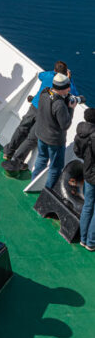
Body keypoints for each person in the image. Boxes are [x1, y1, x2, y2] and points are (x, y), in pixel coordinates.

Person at [2, 61, 81, 170]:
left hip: (34, 106)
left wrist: (53, 72)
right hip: (45, 113)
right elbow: (75, 95)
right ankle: (17, 161)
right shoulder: (66, 84)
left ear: (55, 70)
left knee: (22, 128)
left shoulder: (48, 75)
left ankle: (8, 151)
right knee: (32, 138)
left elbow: (40, 75)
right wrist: (69, 78)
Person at [32, 71, 75, 191]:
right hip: (54, 141)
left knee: (41, 159)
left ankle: (33, 183)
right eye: (67, 87)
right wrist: (71, 109)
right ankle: (48, 191)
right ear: (61, 89)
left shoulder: (44, 93)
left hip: (41, 135)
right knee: (55, 167)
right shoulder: (59, 105)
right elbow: (65, 125)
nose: (69, 89)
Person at [74, 106, 95, 251]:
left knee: (88, 206)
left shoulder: (81, 132)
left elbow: (78, 152)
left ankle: (83, 239)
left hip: (87, 173)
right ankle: (91, 242)